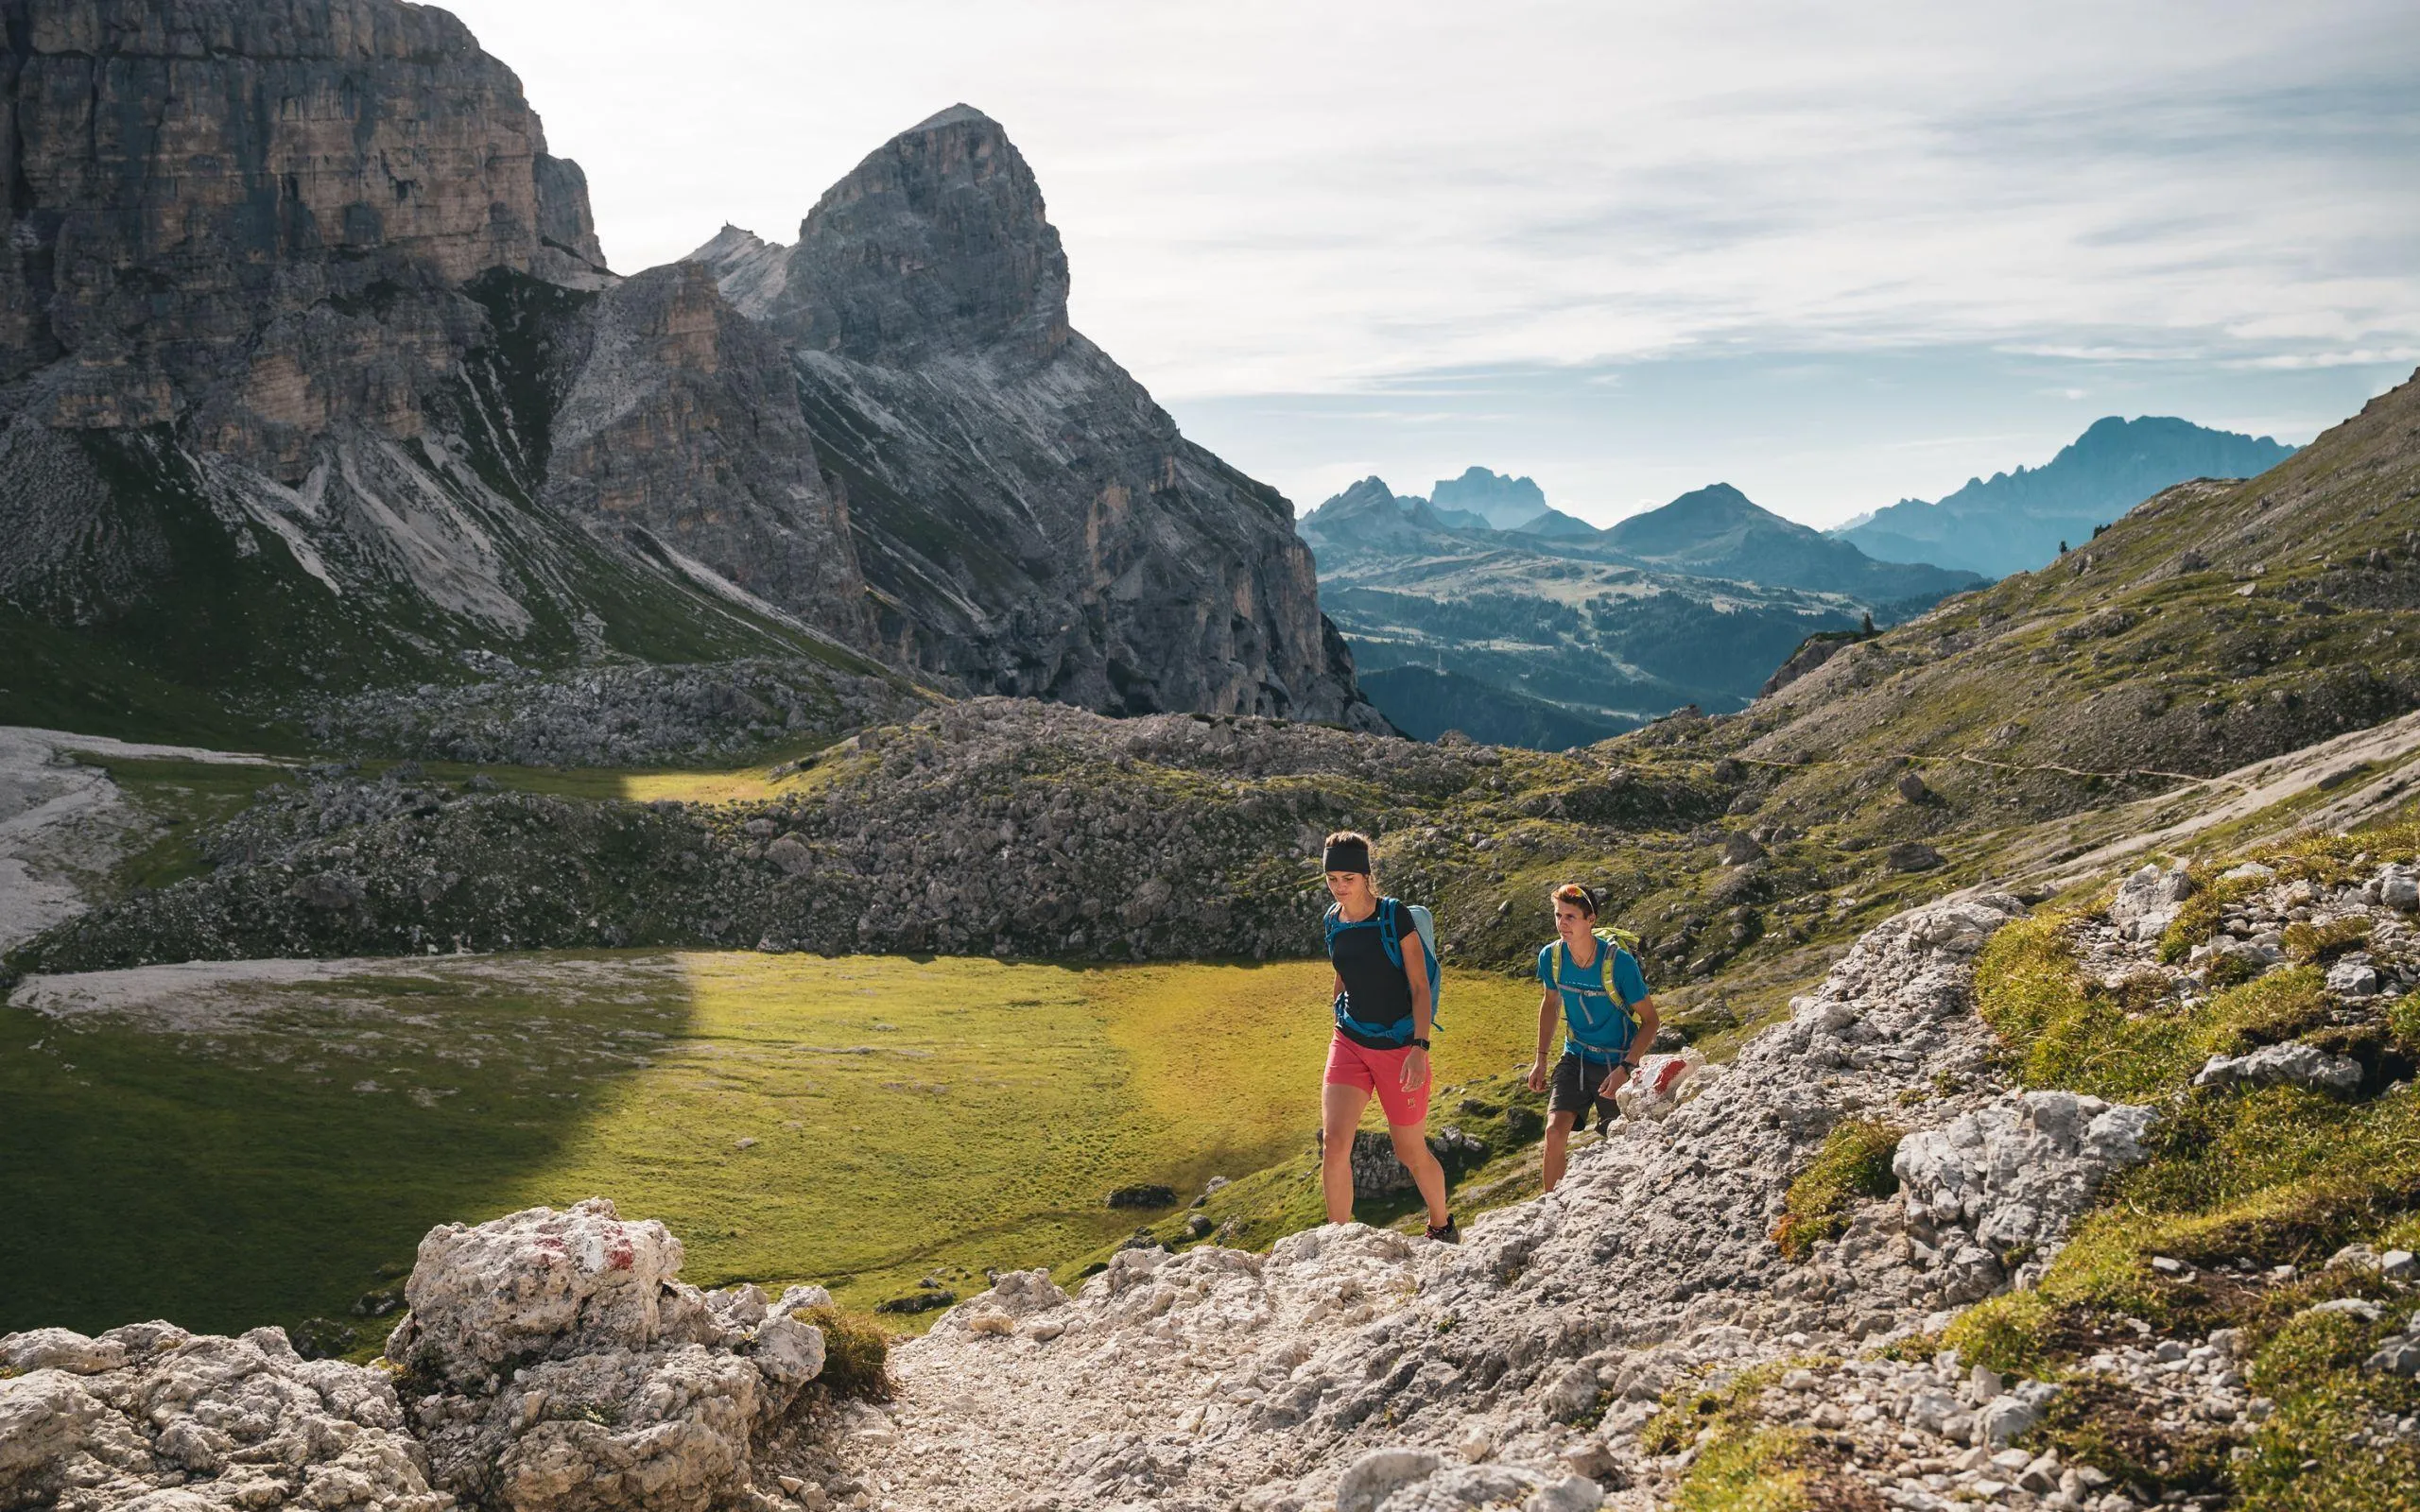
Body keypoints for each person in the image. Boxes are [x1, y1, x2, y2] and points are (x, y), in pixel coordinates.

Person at [1317, 831, 1457, 1243]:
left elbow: (1417, 987)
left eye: (1349, 878)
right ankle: (1337, 1242)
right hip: (1351, 1040)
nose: (1340, 887)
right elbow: (1344, 968)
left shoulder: (1394, 916)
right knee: (1335, 1143)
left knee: (1409, 1150)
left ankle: (1442, 1224)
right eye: (1332, 879)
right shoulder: (1332, 919)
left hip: (1399, 1047)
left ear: (1365, 876)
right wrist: (1336, 1006)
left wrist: (1420, 1047)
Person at [1526, 883, 1658, 1194]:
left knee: (1620, 1138)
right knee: (1554, 1133)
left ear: (1591, 920)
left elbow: (1651, 1021)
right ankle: (1551, 1209)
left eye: (1571, 916)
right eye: (1558, 915)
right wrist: (1540, 1060)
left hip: (1618, 1061)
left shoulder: (1619, 964)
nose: (1562, 923)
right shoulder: (1552, 957)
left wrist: (1626, 1068)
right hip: (1576, 1056)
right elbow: (1550, 1003)